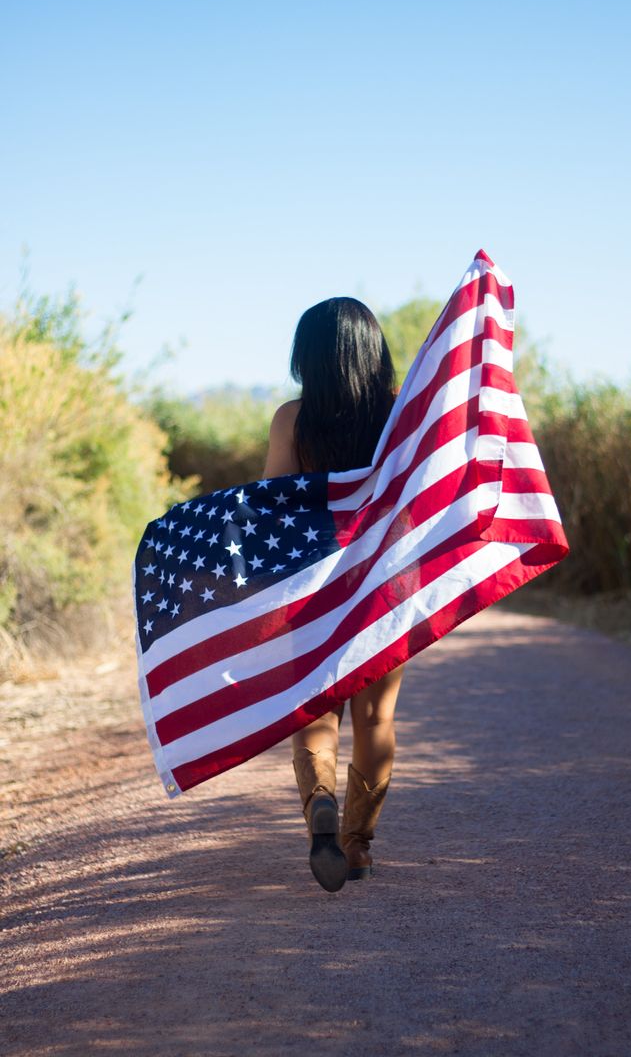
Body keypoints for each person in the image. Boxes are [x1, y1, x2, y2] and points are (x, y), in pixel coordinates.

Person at [261, 296, 405, 893]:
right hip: (383, 585)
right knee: (376, 718)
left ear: (308, 356)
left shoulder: (293, 421)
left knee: (318, 709)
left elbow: (275, 502)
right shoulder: (402, 415)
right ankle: (359, 846)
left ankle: (319, 802)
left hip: (317, 586)